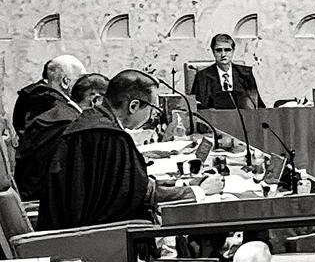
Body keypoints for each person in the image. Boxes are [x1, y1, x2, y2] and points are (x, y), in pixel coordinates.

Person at [37, 69, 223, 230]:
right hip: (97, 238)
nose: (153, 116)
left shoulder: (92, 121)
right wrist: (199, 192)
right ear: (134, 106)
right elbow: (137, 196)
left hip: (72, 228)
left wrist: (181, 184)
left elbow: (125, 185)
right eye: (153, 109)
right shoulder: (110, 136)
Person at [14, 74, 109, 200]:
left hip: (28, 191)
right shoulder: (71, 125)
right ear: (96, 100)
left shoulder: (58, 113)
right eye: (107, 104)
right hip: (41, 200)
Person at [12, 56, 85, 135]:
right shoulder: (50, 102)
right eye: (79, 80)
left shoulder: (30, 93)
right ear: (65, 81)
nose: (83, 85)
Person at [190, 33, 265, 109]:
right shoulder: (202, 77)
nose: (223, 54)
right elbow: (197, 108)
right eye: (219, 50)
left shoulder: (245, 74)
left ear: (233, 51)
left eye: (227, 50)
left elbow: (257, 105)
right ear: (213, 51)